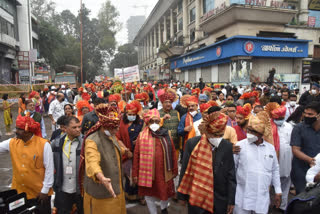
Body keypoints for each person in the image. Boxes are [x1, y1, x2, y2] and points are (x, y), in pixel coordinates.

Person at [178, 109, 236, 214]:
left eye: (221, 134)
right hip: (196, 196)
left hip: (219, 198)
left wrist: (231, 200)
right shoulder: (193, 144)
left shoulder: (226, 146)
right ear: (207, 131)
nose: (217, 137)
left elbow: (231, 175)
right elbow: (185, 169)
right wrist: (182, 195)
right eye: (215, 134)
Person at [79, 103, 128, 214]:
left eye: (117, 127)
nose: (117, 130)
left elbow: (113, 148)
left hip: (117, 191)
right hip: (101, 196)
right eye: (115, 128)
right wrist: (101, 177)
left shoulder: (111, 134)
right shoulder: (92, 140)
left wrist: (125, 151)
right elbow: (92, 161)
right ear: (105, 126)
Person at [0, 114, 53, 213]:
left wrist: (45, 191)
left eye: (18, 129)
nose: (16, 131)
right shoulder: (12, 143)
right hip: (19, 193)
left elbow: (49, 169)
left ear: (27, 130)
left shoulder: (44, 144)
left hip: (39, 194)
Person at [233, 111, 282, 214]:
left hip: (262, 196)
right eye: (248, 130)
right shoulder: (239, 146)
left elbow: (275, 170)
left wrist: (278, 191)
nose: (249, 134)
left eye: (253, 132)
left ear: (261, 134)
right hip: (242, 195)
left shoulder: (270, 148)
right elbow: (233, 168)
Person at [132, 109, 178, 214]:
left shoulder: (166, 134)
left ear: (160, 122)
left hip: (164, 172)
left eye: (156, 121)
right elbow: (136, 156)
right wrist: (135, 173)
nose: (154, 124)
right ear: (147, 122)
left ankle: (163, 208)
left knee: (164, 192)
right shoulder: (141, 136)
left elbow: (172, 153)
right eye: (151, 121)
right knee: (149, 194)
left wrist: (174, 169)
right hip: (147, 173)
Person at [52, 116, 83, 214]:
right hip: (63, 186)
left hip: (80, 188)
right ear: (65, 128)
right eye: (74, 127)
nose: (78, 130)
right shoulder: (57, 142)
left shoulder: (85, 143)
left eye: (79, 127)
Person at [116, 100, 144, 202]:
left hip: (140, 154)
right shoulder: (121, 123)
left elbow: (145, 134)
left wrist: (140, 139)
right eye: (129, 114)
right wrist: (126, 150)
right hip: (127, 153)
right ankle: (129, 195)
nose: (131, 116)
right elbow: (117, 138)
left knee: (140, 175)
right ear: (125, 114)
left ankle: (141, 196)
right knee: (129, 175)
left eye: (133, 114)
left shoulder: (141, 123)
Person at [291, 101, 320, 194]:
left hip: (318, 169)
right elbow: (295, 150)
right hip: (301, 169)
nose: (306, 116)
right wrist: (310, 160)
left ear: (318, 115)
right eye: (305, 113)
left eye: (310, 114)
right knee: (304, 197)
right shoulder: (298, 128)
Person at [273, 106, 294, 212]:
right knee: (271, 184)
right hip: (273, 159)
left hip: (286, 160)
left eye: (281, 118)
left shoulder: (289, 127)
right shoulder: (270, 127)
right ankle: (270, 203)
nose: (279, 120)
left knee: (285, 183)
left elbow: (292, 144)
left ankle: (282, 205)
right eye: (277, 118)